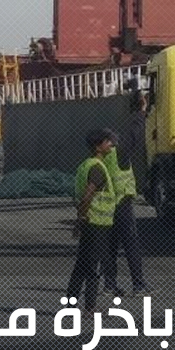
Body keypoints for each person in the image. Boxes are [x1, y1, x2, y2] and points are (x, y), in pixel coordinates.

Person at [102, 90, 154, 296]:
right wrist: (141, 113)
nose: (116, 140)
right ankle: (138, 284)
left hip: (107, 205)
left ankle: (109, 284)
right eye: (112, 139)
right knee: (131, 243)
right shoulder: (118, 155)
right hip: (122, 201)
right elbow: (133, 137)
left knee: (111, 245)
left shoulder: (100, 158)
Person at [68, 128, 117, 315]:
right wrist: (81, 217)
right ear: (98, 147)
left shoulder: (85, 165)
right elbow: (88, 195)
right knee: (92, 268)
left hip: (89, 222)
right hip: (97, 224)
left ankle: (71, 305)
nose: (111, 144)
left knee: (81, 265)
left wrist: (80, 220)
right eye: (107, 141)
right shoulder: (97, 168)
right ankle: (90, 307)